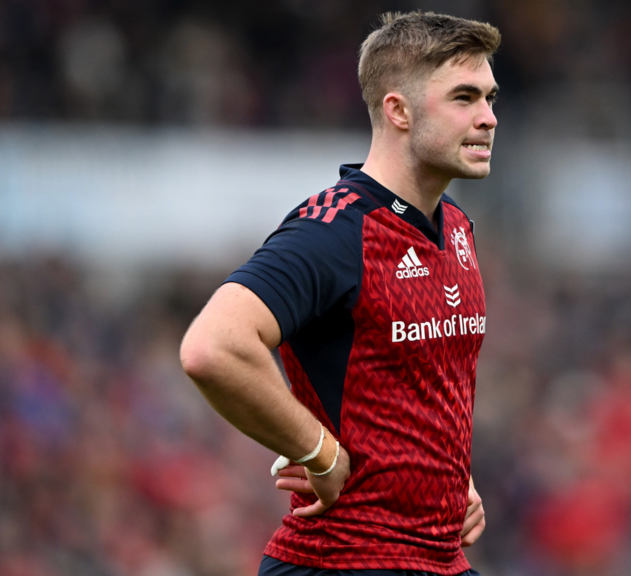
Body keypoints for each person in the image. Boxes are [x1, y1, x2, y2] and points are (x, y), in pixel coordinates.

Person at [179, 12, 500, 576]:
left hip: (439, 559)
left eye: (490, 98)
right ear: (398, 110)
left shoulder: (455, 227)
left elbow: (419, 382)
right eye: (464, 98)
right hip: (344, 559)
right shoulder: (334, 229)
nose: (488, 118)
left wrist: (451, 480)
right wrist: (317, 452)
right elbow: (213, 346)